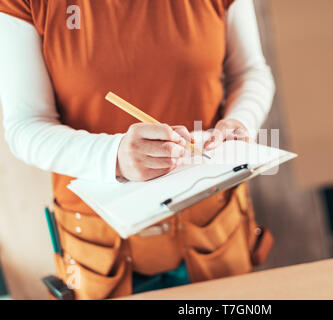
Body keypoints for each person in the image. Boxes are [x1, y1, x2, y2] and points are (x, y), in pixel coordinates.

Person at [0, 0, 274, 299]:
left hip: (213, 221)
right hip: (100, 243)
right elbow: (26, 126)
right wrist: (114, 156)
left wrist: (239, 121)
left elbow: (250, 73)